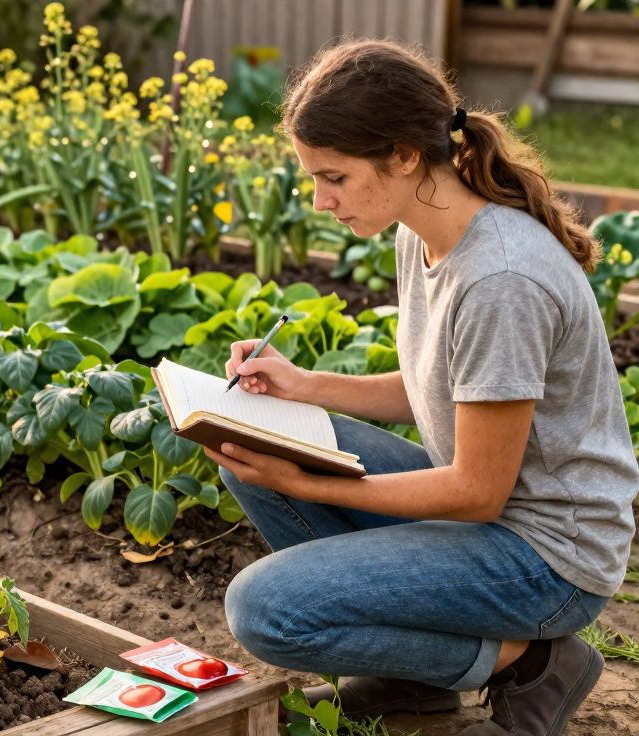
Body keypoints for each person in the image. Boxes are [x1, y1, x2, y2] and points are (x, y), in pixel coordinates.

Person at [206, 39, 639, 736]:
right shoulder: (424, 228)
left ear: (404, 156)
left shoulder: (501, 278)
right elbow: (438, 386)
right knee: (251, 439)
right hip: (490, 521)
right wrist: (300, 386)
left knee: (265, 611)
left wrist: (315, 485)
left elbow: (476, 490)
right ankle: (410, 683)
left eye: (334, 177)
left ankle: (529, 664)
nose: (320, 201)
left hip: (547, 560)